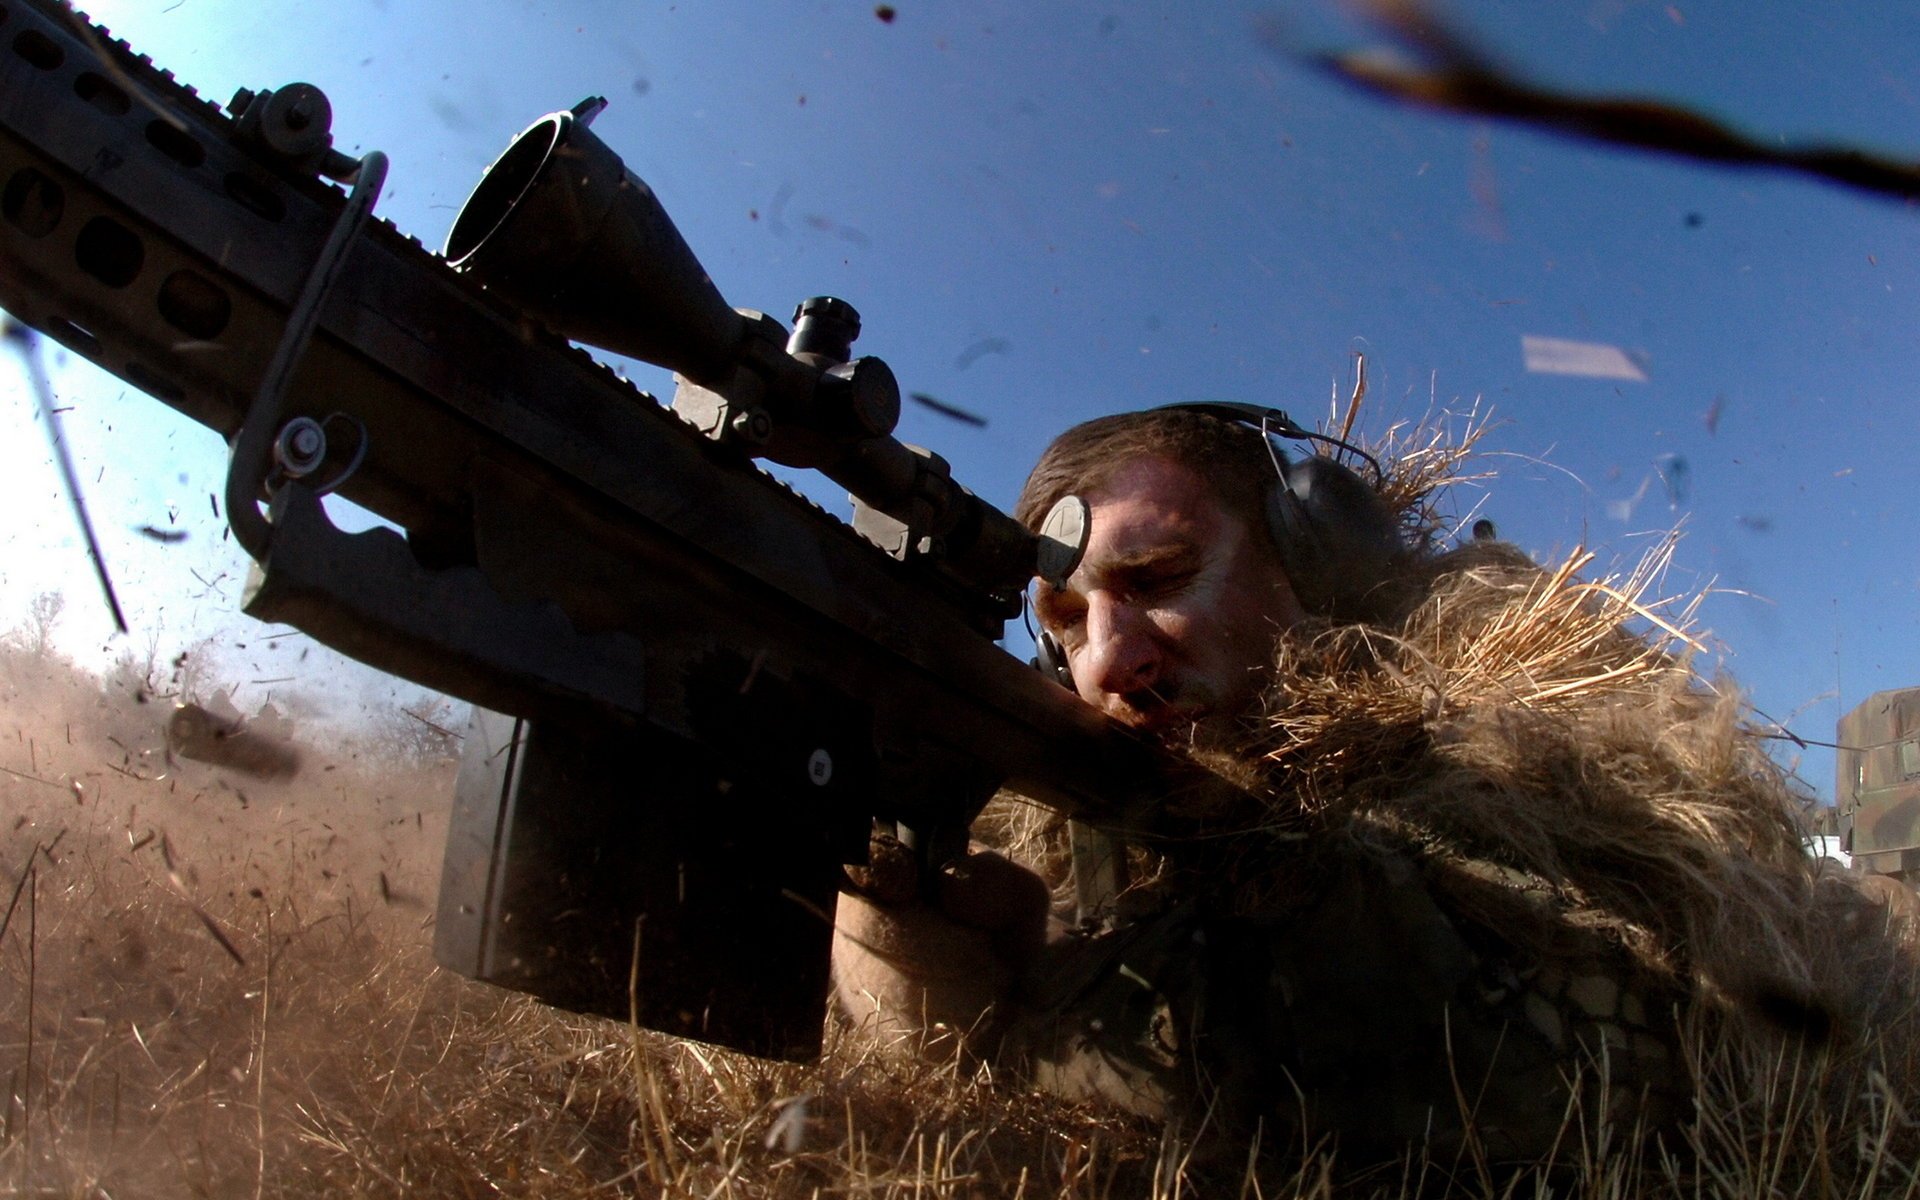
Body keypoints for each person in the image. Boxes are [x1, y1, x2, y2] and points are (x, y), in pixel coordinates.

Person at [833, 407, 1918, 1174]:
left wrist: (1024, 1017)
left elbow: (1564, 1069)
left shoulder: (1518, 709)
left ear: (1321, 560)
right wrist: (918, 959)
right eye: (1065, 625)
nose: (1109, 660)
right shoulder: (1070, 801)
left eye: (1157, 580)